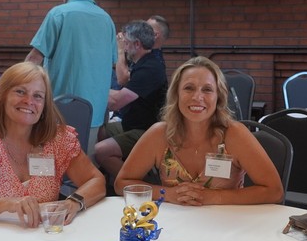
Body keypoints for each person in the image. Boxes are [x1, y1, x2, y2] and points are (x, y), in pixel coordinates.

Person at [0, 62, 105, 227]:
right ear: (2, 96)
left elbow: (96, 180)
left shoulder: (58, 140)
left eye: (38, 96)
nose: (28, 101)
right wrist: (4, 204)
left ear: (44, 105)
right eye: (20, 92)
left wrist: (74, 201)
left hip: (43, 238)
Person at [115, 56, 283, 205]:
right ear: (176, 94)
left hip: (227, 224)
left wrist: (212, 197)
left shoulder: (235, 134)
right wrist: (168, 194)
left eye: (207, 89)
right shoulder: (159, 134)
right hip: (175, 225)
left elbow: (274, 191)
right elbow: (122, 183)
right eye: (189, 88)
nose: (197, 97)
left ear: (218, 96)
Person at [26, 0, 118, 152]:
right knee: (85, 165)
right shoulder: (107, 20)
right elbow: (111, 65)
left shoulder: (59, 14)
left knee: (50, 164)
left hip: (59, 112)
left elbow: (33, 60)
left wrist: (13, 89)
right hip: (94, 115)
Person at [95, 21, 168, 180]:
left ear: (137, 44)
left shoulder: (150, 68)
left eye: (126, 43)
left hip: (147, 131)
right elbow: (123, 85)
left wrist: (92, 89)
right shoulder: (143, 62)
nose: (125, 47)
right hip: (133, 124)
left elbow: (116, 102)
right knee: (100, 131)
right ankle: (114, 177)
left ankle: (135, 185)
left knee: (100, 151)